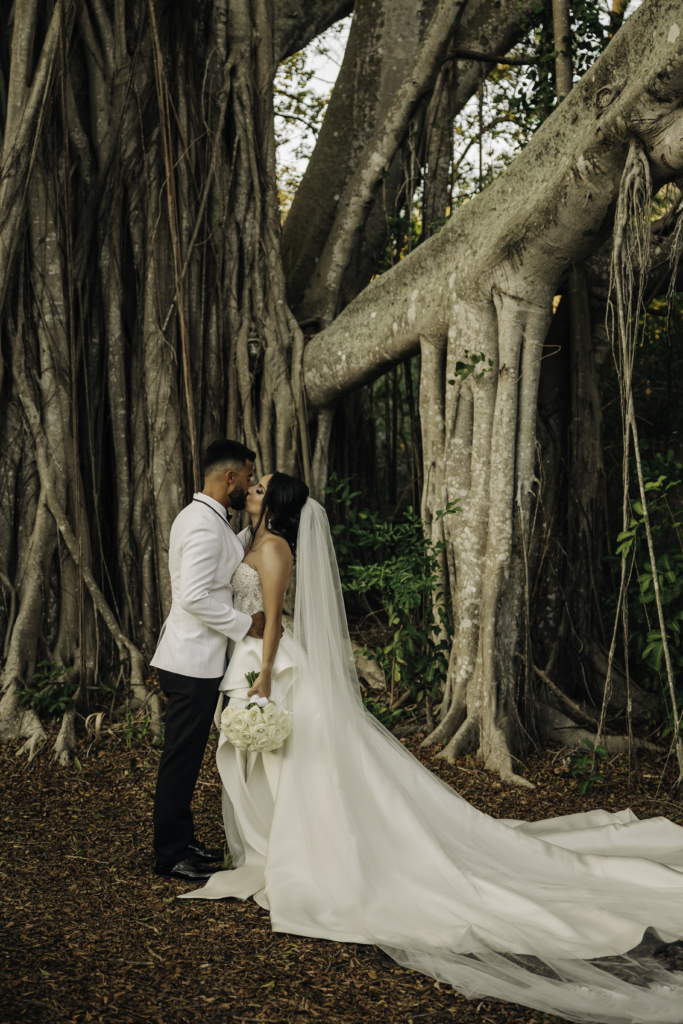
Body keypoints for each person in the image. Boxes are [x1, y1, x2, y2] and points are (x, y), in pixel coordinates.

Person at [182, 478, 683, 1024]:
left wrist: (263, 685)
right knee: (277, 769)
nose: (251, 488)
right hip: (250, 659)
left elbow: (274, 620)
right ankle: (278, 845)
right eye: (252, 482)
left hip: (270, 668)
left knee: (298, 768)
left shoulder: (274, 549)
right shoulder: (247, 539)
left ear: (273, 507)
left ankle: (306, 853)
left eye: (260, 487)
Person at [150, 440, 268, 882]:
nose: (251, 485)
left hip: (198, 659)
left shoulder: (210, 519)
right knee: (180, 758)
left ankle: (182, 840)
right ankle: (170, 853)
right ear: (230, 478)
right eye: (249, 477)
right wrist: (245, 625)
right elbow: (195, 596)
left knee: (188, 756)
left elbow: (227, 559)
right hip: (190, 661)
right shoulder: (201, 523)